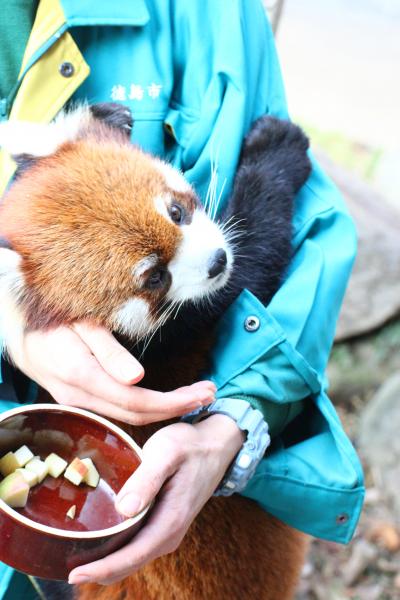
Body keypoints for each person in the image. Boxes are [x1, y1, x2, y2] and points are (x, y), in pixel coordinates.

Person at [0, 0, 364, 596]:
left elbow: (301, 242)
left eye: (179, 211)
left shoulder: (206, 17)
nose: (210, 253)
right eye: (153, 279)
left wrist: (237, 422)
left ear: (110, 130)